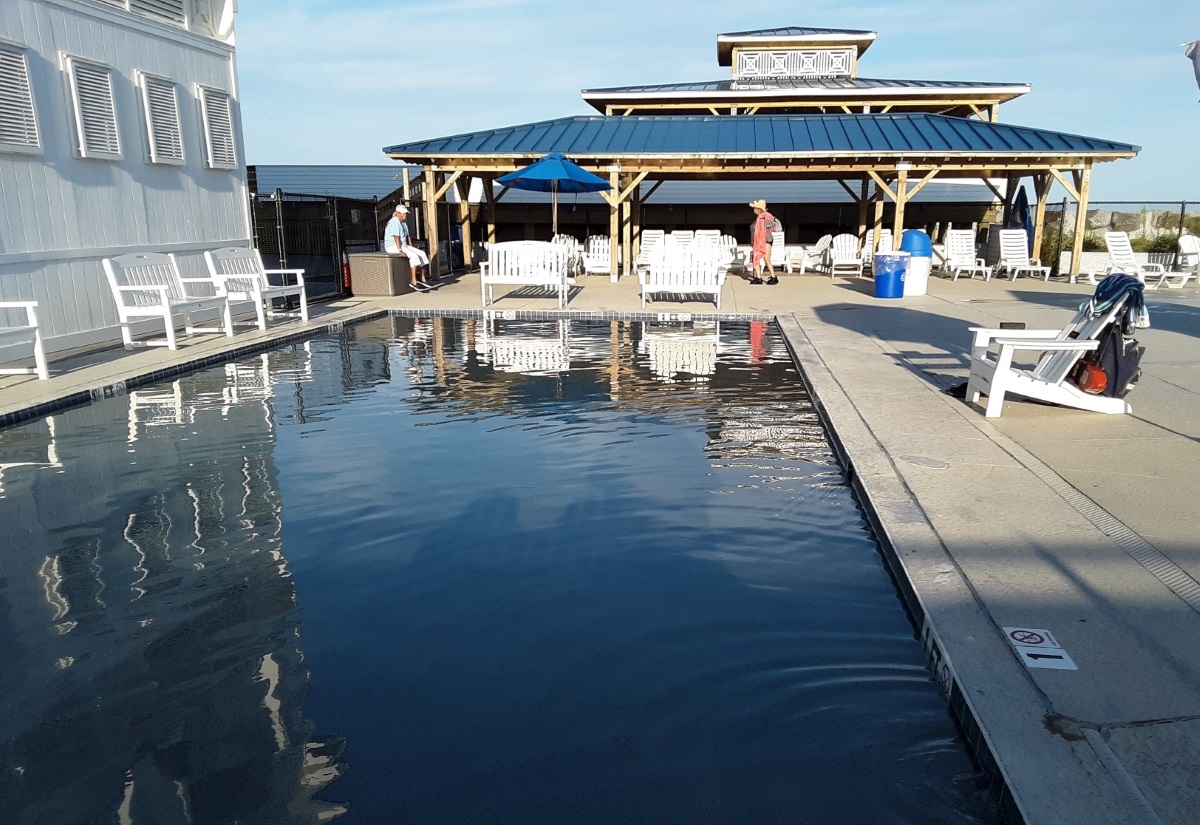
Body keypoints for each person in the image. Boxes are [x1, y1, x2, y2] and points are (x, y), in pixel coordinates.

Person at [383, 205, 433, 291]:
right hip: (392, 245)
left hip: (403, 245)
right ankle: (413, 281)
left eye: (405, 214)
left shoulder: (404, 223)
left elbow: (407, 236)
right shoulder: (394, 221)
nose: (405, 216)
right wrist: (400, 250)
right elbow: (396, 237)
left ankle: (423, 278)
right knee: (414, 256)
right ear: (398, 214)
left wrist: (411, 247)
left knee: (422, 253)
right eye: (403, 214)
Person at [748, 199, 781, 285]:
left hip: (765, 240)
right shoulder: (757, 219)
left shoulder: (765, 217)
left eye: (755, 208)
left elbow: (774, 225)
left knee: (766, 259)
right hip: (757, 242)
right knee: (756, 259)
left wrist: (765, 225)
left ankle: (773, 277)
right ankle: (758, 277)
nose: (753, 210)